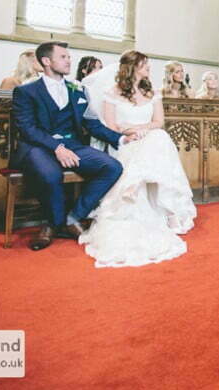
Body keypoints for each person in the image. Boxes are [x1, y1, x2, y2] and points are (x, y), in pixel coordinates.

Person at [9, 42, 133, 251]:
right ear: (47, 61)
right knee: (50, 174)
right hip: (38, 147)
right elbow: (28, 128)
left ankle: (72, 217)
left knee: (112, 167)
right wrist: (57, 148)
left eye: (69, 57)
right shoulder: (26, 91)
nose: (69, 60)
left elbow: (91, 124)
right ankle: (52, 224)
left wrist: (120, 138)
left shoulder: (77, 89)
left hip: (73, 145)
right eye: (64, 57)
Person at [79, 50, 197, 268]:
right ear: (131, 67)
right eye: (144, 64)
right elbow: (111, 126)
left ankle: (161, 202)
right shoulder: (111, 93)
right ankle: (163, 205)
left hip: (149, 138)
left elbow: (159, 122)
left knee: (159, 137)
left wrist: (143, 129)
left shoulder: (152, 92)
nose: (149, 68)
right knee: (156, 143)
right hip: (126, 143)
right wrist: (130, 132)